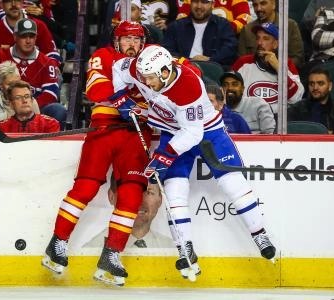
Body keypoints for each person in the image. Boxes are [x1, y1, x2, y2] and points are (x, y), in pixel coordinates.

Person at [112, 45, 276, 279]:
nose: (145, 83)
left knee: (234, 185)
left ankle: (259, 233)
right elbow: (118, 68)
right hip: (171, 130)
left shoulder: (189, 85)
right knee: (174, 190)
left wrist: (164, 155)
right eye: (143, 78)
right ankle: (184, 247)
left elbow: (193, 133)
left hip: (207, 132)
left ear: (165, 72)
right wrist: (120, 98)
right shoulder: (141, 69)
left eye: (150, 79)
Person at [41, 21, 152, 286]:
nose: (131, 44)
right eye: (126, 39)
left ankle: (111, 255)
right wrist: (122, 99)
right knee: (86, 187)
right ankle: (57, 243)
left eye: (136, 40)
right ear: (116, 42)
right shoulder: (104, 56)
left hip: (137, 133)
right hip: (104, 128)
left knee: (132, 194)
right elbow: (95, 88)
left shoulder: (151, 60)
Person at [0, 19, 66, 128]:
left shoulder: (47, 62)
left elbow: (51, 94)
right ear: (15, 37)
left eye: (31, 36)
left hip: (35, 108)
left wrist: (25, 106)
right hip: (4, 106)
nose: (28, 41)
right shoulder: (0, 55)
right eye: (23, 36)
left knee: (58, 110)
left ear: (36, 38)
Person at [232, 23, 304, 114]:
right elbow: (228, 92)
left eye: (265, 38)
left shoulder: (287, 64)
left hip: (278, 119)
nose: (259, 43)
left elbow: (295, 98)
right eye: (258, 38)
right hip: (248, 117)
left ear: (275, 44)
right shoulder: (243, 62)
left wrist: (278, 68)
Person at [162, 0, 238, 66]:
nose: (199, 6)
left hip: (213, 69)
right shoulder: (176, 26)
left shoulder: (223, 25)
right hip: (183, 68)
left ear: (212, 5)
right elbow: (166, 51)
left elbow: (230, 51)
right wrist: (189, 61)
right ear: (190, 3)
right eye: (195, 1)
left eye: (204, 2)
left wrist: (209, 60)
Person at [0, 0, 61, 64]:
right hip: (8, 77)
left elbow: (52, 54)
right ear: (1, 5)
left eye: (17, 0)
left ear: (22, 2)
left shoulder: (39, 25)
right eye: (8, 1)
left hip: (37, 77)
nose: (13, 4)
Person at [238, 0, 304, 68]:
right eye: (255, 5)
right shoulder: (247, 29)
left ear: (273, 4)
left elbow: (297, 59)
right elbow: (241, 61)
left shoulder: (290, 26)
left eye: (263, 3)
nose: (258, 8)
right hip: (253, 75)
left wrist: (276, 67)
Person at [288, 66, 334, 134]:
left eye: (320, 83)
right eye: (311, 83)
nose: (315, 88)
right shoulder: (297, 109)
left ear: (330, 86)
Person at [176, 0, 252, 34]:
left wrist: (223, 30)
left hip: (223, 39)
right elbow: (181, 18)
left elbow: (245, 19)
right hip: (192, 36)